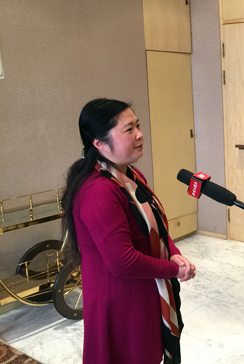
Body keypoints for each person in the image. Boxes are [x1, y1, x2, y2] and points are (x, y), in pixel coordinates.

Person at [61, 99, 196, 364]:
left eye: (138, 126)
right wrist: (173, 270)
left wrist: (174, 253)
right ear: (99, 143)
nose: (139, 135)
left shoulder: (131, 176)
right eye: (129, 129)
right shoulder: (98, 191)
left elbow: (155, 226)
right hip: (120, 299)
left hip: (144, 288)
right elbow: (123, 261)